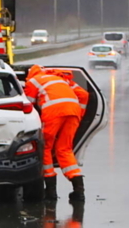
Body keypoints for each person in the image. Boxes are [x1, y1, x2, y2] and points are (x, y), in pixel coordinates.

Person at [24, 65, 89, 203]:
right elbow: (84, 95)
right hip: (73, 112)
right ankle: (78, 190)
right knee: (65, 149)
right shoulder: (61, 78)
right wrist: (80, 114)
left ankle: (51, 191)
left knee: (46, 147)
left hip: (53, 112)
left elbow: (28, 105)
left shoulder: (33, 81)